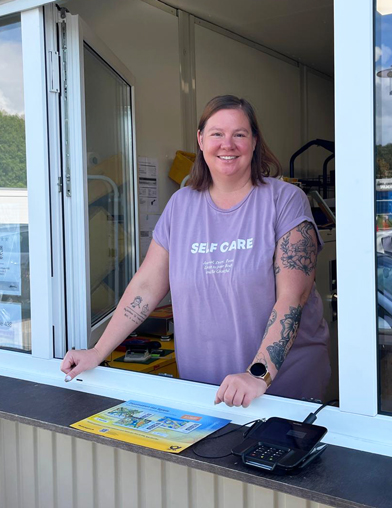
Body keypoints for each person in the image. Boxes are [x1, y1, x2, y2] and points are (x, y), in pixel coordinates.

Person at [61, 95, 330, 407]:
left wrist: (258, 374)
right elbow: (146, 287)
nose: (227, 144)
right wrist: (97, 351)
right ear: (201, 140)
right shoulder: (181, 205)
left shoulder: (285, 200)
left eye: (239, 134)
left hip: (279, 389)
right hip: (204, 389)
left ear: (254, 142)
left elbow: (292, 298)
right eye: (217, 134)